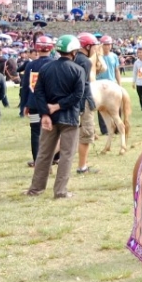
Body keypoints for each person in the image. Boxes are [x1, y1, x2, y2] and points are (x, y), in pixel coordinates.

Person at [24, 35, 86, 199]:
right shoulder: (78, 70)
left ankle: (36, 189)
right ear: (73, 51)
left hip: (49, 118)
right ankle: (60, 191)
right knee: (66, 155)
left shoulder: (46, 68)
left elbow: (38, 92)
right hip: (69, 118)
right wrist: (59, 106)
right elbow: (78, 95)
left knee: (43, 153)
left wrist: (45, 112)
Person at [20, 36, 57, 167]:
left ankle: (37, 161)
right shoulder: (55, 63)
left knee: (35, 132)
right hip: (50, 104)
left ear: (36, 48)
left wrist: (24, 104)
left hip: (34, 104)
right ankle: (54, 158)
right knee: (53, 131)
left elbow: (25, 87)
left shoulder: (30, 65)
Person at [71, 33, 99, 174]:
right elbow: (82, 85)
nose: (95, 49)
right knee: (86, 135)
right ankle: (82, 166)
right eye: (94, 46)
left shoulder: (72, 58)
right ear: (87, 46)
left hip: (71, 103)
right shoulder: (86, 62)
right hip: (83, 102)